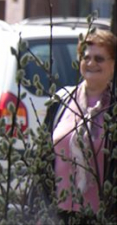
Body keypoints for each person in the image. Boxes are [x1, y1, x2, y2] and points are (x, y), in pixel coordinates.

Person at [47, 29, 116, 223]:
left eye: (99, 59)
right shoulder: (61, 102)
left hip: (102, 216)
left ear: (113, 65)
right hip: (58, 214)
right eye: (86, 57)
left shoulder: (114, 108)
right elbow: (43, 159)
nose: (91, 63)